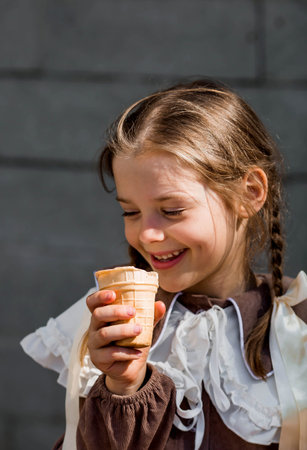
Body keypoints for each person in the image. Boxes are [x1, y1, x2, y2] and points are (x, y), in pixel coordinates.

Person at [21, 80, 307, 450]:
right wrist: (121, 389)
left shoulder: (295, 326)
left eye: (172, 210)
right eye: (130, 212)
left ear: (249, 193)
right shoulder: (112, 324)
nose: (148, 234)